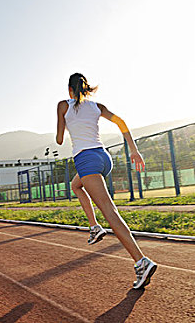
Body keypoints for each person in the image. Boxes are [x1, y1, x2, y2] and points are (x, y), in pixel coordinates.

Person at [56, 73, 157, 289]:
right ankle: (94, 227)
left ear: (70, 90)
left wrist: (65, 123)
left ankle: (141, 261)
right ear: (86, 89)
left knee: (110, 212)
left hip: (85, 159)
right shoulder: (97, 106)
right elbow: (120, 121)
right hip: (103, 158)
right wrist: (134, 150)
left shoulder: (63, 105)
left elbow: (59, 139)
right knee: (76, 185)